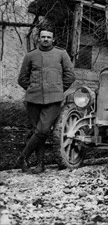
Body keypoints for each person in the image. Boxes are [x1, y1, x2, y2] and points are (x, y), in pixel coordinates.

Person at [16, 27, 75, 173]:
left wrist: (58, 90)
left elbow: (70, 75)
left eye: (49, 37)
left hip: (54, 99)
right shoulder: (31, 56)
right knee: (37, 131)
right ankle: (40, 164)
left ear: (53, 39)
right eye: (43, 37)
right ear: (39, 39)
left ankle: (22, 157)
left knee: (42, 130)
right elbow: (22, 78)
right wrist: (33, 88)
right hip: (33, 99)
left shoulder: (61, 54)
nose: (46, 39)